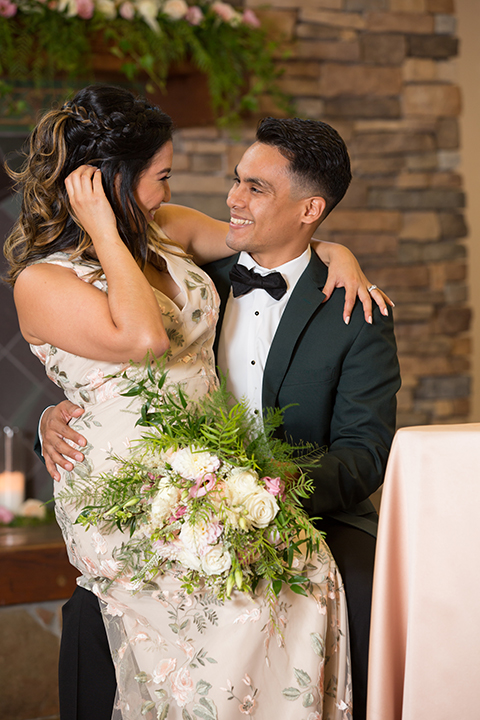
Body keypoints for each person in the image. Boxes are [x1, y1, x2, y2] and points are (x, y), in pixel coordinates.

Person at [4, 85, 393, 720]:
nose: (230, 198)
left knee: (299, 585)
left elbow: (265, 242)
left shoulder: (167, 230)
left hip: (208, 477)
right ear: (113, 183)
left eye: (254, 186)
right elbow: (146, 339)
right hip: (131, 487)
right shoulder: (42, 280)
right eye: (161, 176)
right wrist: (103, 227)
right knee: (241, 614)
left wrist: (335, 249)